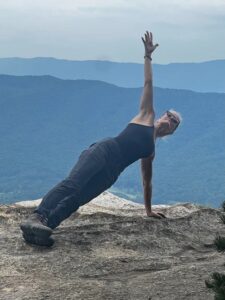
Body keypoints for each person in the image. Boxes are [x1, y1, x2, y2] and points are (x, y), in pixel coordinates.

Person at [20, 31, 181, 246]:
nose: (170, 119)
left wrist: (149, 211)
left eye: (174, 121)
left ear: (172, 131)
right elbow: (148, 83)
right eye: (169, 115)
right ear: (162, 115)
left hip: (110, 174)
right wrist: (147, 56)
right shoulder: (147, 115)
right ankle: (37, 216)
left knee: (77, 199)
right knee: (73, 185)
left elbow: (146, 182)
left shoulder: (150, 150)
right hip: (104, 151)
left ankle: (44, 228)